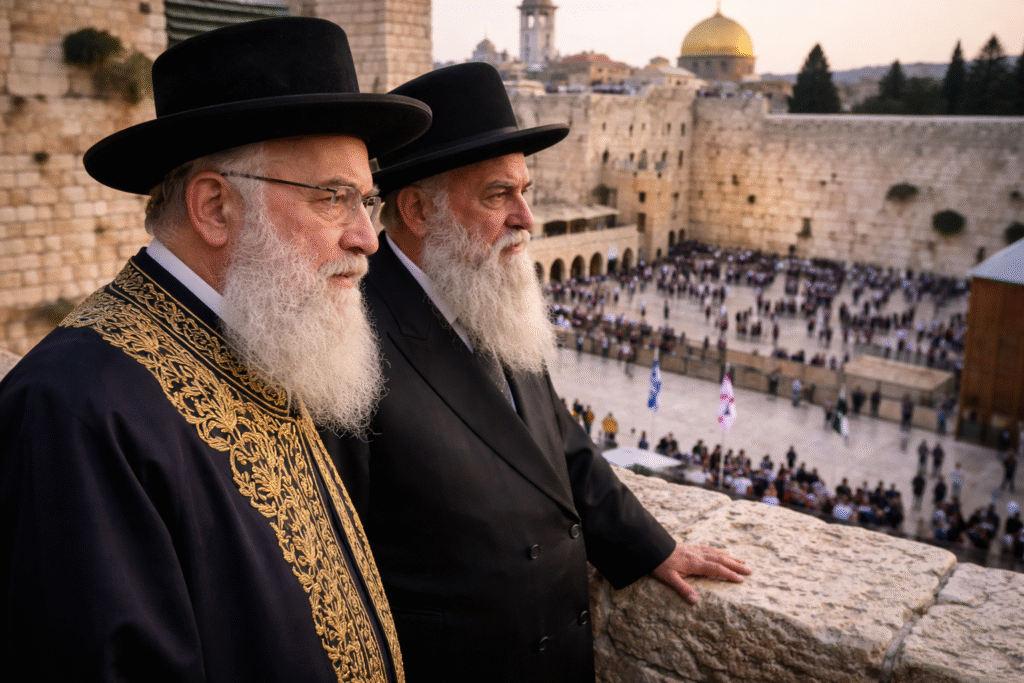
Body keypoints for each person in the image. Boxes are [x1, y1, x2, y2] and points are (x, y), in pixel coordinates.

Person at [0, 18, 432, 681]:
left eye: (367, 201)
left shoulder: (267, 344)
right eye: (334, 199)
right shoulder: (73, 411)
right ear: (215, 207)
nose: (367, 237)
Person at [320, 63, 749, 683]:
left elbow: (557, 445)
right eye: (498, 195)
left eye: (527, 192)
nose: (526, 218)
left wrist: (650, 547)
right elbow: (336, 556)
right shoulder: (351, 338)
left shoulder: (488, 294)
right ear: (415, 209)